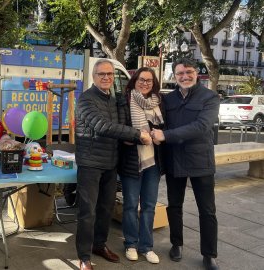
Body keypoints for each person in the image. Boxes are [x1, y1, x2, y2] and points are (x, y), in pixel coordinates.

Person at [75, 59, 152, 270]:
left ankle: (99, 245)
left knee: (106, 209)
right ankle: (84, 257)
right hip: (90, 163)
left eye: (110, 74)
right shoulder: (86, 100)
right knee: (87, 212)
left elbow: (120, 124)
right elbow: (103, 126)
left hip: (110, 162)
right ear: (94, 77)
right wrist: (138, 135)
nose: (107, 77)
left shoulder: (113, 99)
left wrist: (136, 135)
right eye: (102, 74)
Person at [151, 58, 220, 270]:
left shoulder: (210, 97)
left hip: (200, 160)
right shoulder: (168, 99)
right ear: (174, 75)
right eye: (180, 73)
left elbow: (201, 126)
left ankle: (209, 254)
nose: (184, 76)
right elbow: (156, 120)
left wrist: (165, 135)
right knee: (175, 205)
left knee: (207, 210)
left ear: (196, 73)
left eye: (188, 72)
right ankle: (176, 244)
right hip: (175, 159)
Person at [117, 67, 164, 264]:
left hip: (153, 161)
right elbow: (120, 129)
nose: (145, 83)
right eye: (141, 79)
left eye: (149, 80)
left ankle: (146, 246)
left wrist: (158, 135)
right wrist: (138, 137)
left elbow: (164, 128)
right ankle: (130, 243)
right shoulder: (125, 100)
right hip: (132, 160)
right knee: (130, 204)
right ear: (134, 80)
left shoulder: (158, 102)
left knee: (149, 205)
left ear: (154, 83)